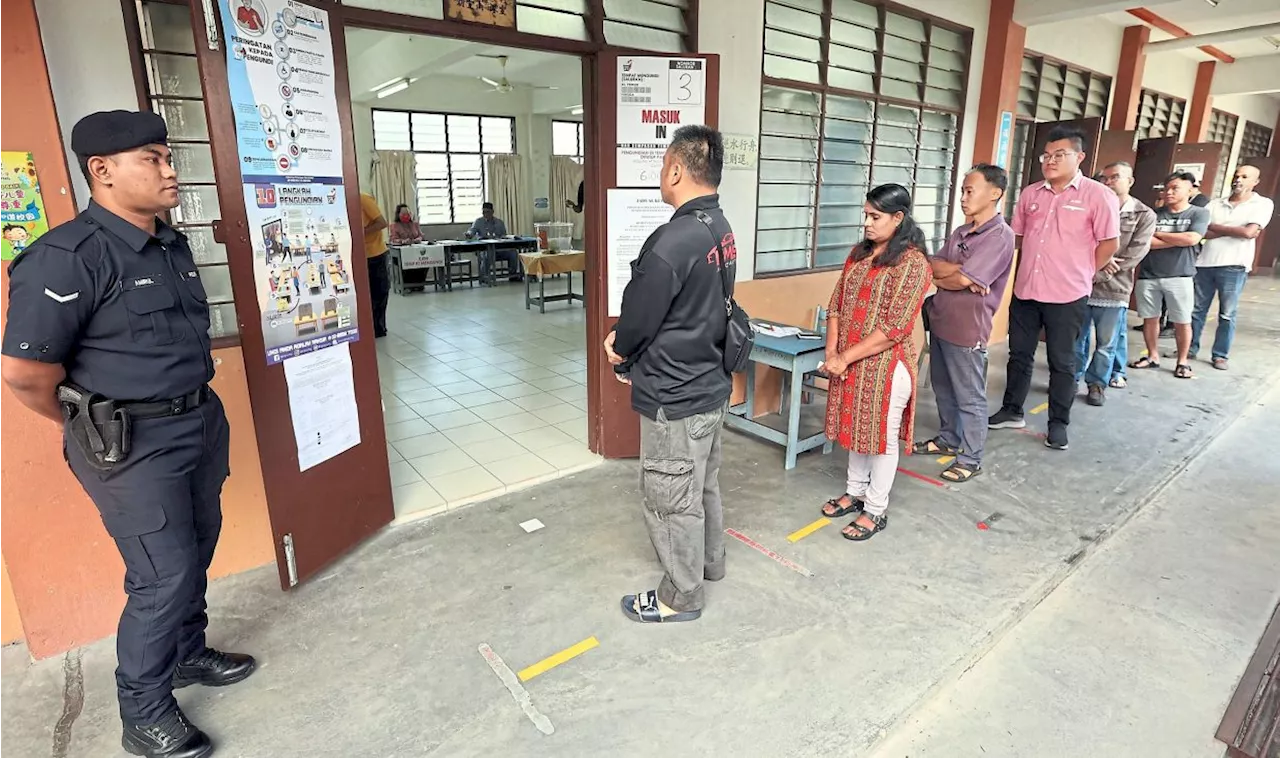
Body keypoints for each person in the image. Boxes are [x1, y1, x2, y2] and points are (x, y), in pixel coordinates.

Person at [0, 111, 255, 758]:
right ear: (103, 170)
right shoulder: (66, 258)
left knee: (195, 550)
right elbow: (27, 374)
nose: (171, 170)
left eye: (170, 156)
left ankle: (187, 655)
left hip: (197, 421)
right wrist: (88, 427)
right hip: (129, 444)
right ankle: (143, 713)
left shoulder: (167, 244)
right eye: (153, 158)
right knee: (160, 576)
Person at [603, 125, 734, 624]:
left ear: (677, 169)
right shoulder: (719, 226)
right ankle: (710, 564)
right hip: (710, 384)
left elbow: (638, 318)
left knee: (670, 497)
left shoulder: (672, 240)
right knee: (703, 485)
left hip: (675, 394)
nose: (662, 174)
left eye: (663, 165)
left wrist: (620, 348)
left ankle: (680, 596)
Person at [989, 126, 1120, 451]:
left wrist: (1086, 272)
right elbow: (1016, 238)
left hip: (1068, 295)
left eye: (1059, 155)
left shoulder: (1097, 195)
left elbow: (1109, 243)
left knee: (1063, 363)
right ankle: (1012, 410)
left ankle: (1058, 424)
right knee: (1019, 355)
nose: (1050, 161)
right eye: (1046, 155)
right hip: (1027, 291)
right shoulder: (1031, 194)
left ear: (1080, 157)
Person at [818, 184, 931, 539]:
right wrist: (831, 354)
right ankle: (855, 492)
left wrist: (844, 358)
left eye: (875, 216)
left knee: (881, 438)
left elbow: (895, 327)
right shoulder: (858, 254)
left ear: (898, 218)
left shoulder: (913, 263)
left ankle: (876, 509)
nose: (866, 223)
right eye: (865, 215)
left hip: (886, 365)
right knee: (856, 429)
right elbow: (836, 304)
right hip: (850, 360)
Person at [912, 165, 1015, 483]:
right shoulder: (961, 232)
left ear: (994, 193)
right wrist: (958, 273)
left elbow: (964, 278)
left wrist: (960, 275)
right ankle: (948, 438)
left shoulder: (1000, 236)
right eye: (963, 191)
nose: (963, 197)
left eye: (970, 190)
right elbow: (933, 265)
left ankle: (970, 458)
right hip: (941, 320)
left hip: (969, 327)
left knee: (968, 395)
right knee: (943, 387)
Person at [1077, 162, 1156, 404]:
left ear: (1130, 181)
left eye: (1115, 177)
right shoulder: (1088, 208)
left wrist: (1097, 271)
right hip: (1080, 285)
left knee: (1106, 343)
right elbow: (1077, 243)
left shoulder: (1144, 214)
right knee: (1076, 340)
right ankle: (1069, 380)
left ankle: (1097, 384)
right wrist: (1096, 265)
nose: (1108, 182)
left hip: (1114, 289)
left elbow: (1134, 254)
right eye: (1104, 178)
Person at [1191, 164, 1274, 370]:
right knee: (1196, 311)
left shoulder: (1262, 204)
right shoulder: (1214, 204)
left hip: (1235, 266)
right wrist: (1236, 229)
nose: (1239, 180)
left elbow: (1249, 233)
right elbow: (1202, 232)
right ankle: (1189, 349)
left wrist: (1217, 227)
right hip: (1206, 263)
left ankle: (1220, 355)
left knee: (1227, 314)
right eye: (1237, 176)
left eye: (1245, 177)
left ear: (1255, 182)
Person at [1129, 172, 1210, 379]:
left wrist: (1159, 234)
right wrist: (1177, 239)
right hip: (1149, 275)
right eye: (1167, 188)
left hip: (1180, 276)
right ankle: (1152, 356)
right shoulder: (1153, 214)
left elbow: (1193, 238)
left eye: (1175, 188)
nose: (1169, 192)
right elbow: (1147, 243)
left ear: (1190, 190)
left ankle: (1182, 361)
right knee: (1150, 319)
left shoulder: (1198, 214)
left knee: (1182, 321)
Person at [360, 192, 389, 338]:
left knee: (379, 293)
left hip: (376, 253)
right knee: (366, 295)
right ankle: (369, 327)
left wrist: (361, 232)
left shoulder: (362, 199)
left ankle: (378, 328)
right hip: (360, 256)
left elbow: (382, 223)